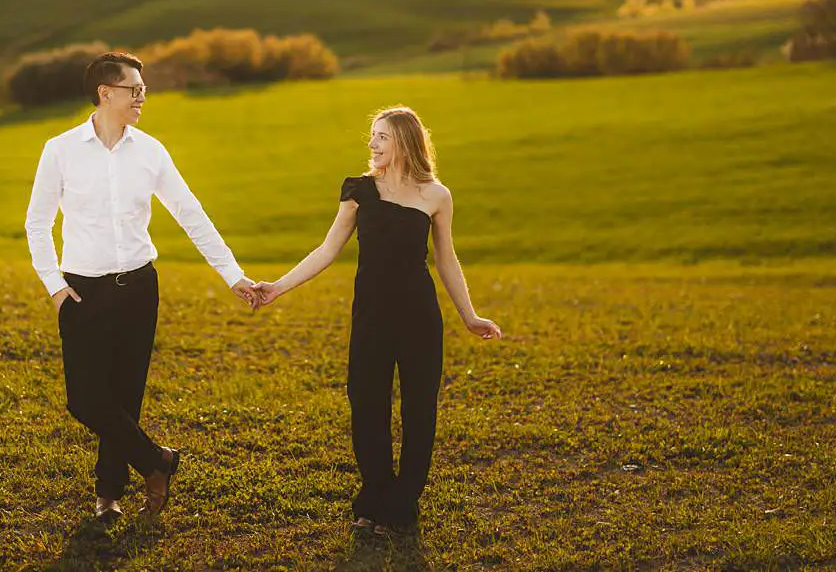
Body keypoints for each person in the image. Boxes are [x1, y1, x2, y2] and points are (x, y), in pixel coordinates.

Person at [25, 51, 260, 524]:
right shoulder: (60, 150)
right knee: (84, 400)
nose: (142, 98)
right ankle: (158, 461)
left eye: (143, 90)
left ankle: (109, 495)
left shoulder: (151, 152)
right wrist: (54, 286)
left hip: (138, 289)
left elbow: (191, 214)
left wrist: (232, 274)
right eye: (134, 90)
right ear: (104, 93)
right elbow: (37, 223)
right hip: (82, 291)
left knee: (125, 397)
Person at [252, 106, 500, 535]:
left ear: (404, 141)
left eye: (381, 136)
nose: (372, 143)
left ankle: (402, 505)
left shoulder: (436, 196)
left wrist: (469, 315)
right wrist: (277, 286)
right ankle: (375, 498)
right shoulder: (360, 191)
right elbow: (327, 250)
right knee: (367, 406)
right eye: (372, 135)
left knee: (419, 410)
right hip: (371, 317)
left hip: (419, 317)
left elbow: (446, 259)